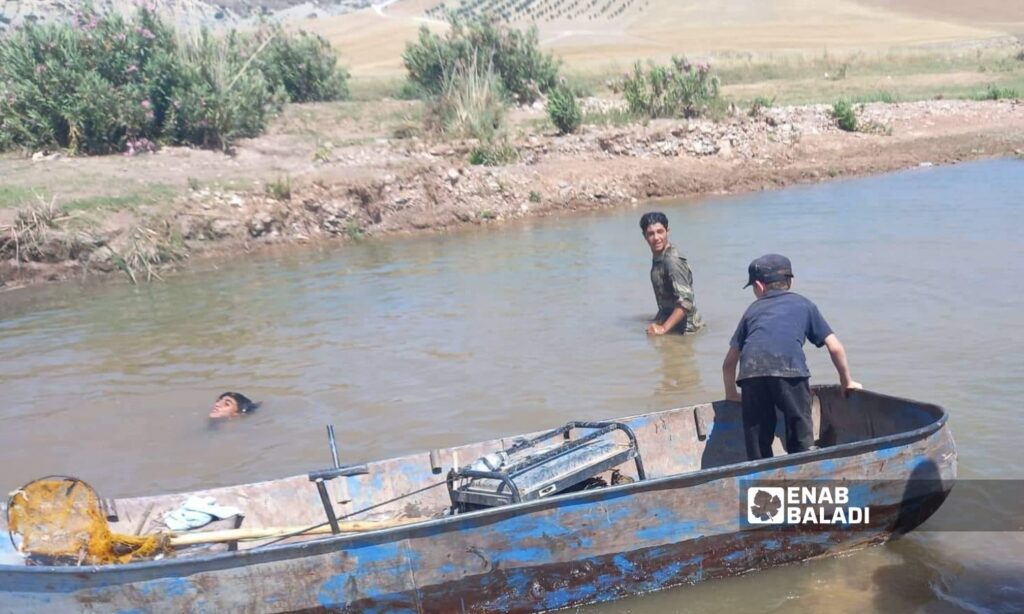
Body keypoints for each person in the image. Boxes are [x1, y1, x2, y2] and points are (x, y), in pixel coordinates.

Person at [721, 254, 862, 460]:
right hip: (790, 371)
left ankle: (760, 475)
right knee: (800, 433)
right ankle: (803, 461)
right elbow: (835, 348)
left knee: (758, 443)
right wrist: (846, 381)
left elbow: (728, 364)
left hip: (751, 374)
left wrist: (731, 394)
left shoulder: (751, 312)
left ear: (759, 286)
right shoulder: (804, 304)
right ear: (791, 281)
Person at [640, 212, 704, 335]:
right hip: (673, 326)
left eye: (660, 232)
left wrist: (663, 328)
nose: (656, 238)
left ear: (667, 231)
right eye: (651, 234)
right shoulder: (659, 257)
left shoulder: (672, 260)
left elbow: (686, 302)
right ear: (644, 236)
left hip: (686, 332)